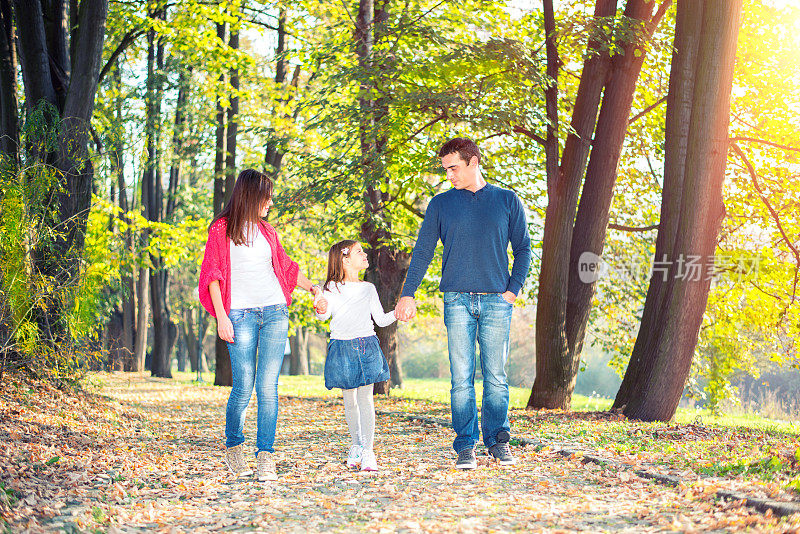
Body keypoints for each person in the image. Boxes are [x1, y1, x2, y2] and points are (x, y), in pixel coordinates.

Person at [395, 137, 532, 470]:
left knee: (496, 378)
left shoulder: (507, 200)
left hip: (497, 302)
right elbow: (424, 251)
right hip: (456, 300)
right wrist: (407, 292)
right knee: (461, 378)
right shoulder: (441, 204)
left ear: (474, 162)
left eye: (453, 168)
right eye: (445, 170)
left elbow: (524, 250)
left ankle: (498, 442)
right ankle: (465, 446)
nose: (449, 176)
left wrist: (512, 291)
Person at [198, 168, 327, 482]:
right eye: (266, 197)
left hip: (274, 313)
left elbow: (286, 268)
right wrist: (221, 318)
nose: (270, 203)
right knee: (242, 387)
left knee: (268, 388)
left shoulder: (268, 231)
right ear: (251, 195)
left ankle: (265, 456)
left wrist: (313, 288)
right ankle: (234, 444)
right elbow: (212, 275)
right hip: (238, 315)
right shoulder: (221, 229)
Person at [314, 240, 397, 472]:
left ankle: (369, 451)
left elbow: (380, 320)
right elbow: (324, 315)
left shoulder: (368, 288)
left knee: (366, 399)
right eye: (359, 252)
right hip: (342, 348)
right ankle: (357, 445)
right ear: (345, 259)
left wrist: (397, 313)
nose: (365, 254)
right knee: (349, 401)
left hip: (366, 346)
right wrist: (320, 307)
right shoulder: (330, 288)